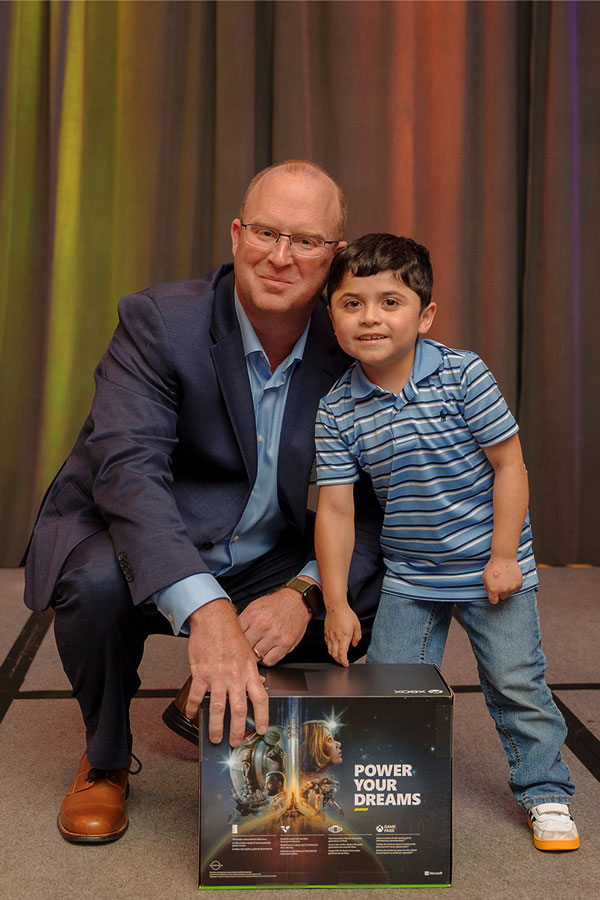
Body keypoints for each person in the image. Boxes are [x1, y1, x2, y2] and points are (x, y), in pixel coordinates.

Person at [23, 161, 383, 844]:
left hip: (263, 548)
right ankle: (104, 761)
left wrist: (305, 593)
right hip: (136, 535)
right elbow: (128, 474)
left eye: (306, 241)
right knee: (94, 579)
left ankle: (223, 684)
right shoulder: (160, 322)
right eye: (267, 233)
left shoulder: (353, 345)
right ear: (237, 234)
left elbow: (373, 507)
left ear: (335, 255)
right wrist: (207, 607)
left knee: (378, 573)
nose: (281, 256)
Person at [314, 232, 579, 852]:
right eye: (351, 303)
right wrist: (334, 602)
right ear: (331, 314)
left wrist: (505, 554)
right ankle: (391, 798)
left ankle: (546, 793)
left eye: (390, 302)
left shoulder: (463, 375)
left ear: (424, 314)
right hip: (411, 573)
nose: (370, 317)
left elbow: (510, 466)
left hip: (491, 565)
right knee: (390, 682)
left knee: (517, 682)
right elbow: (334, 509)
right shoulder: (336, 411)